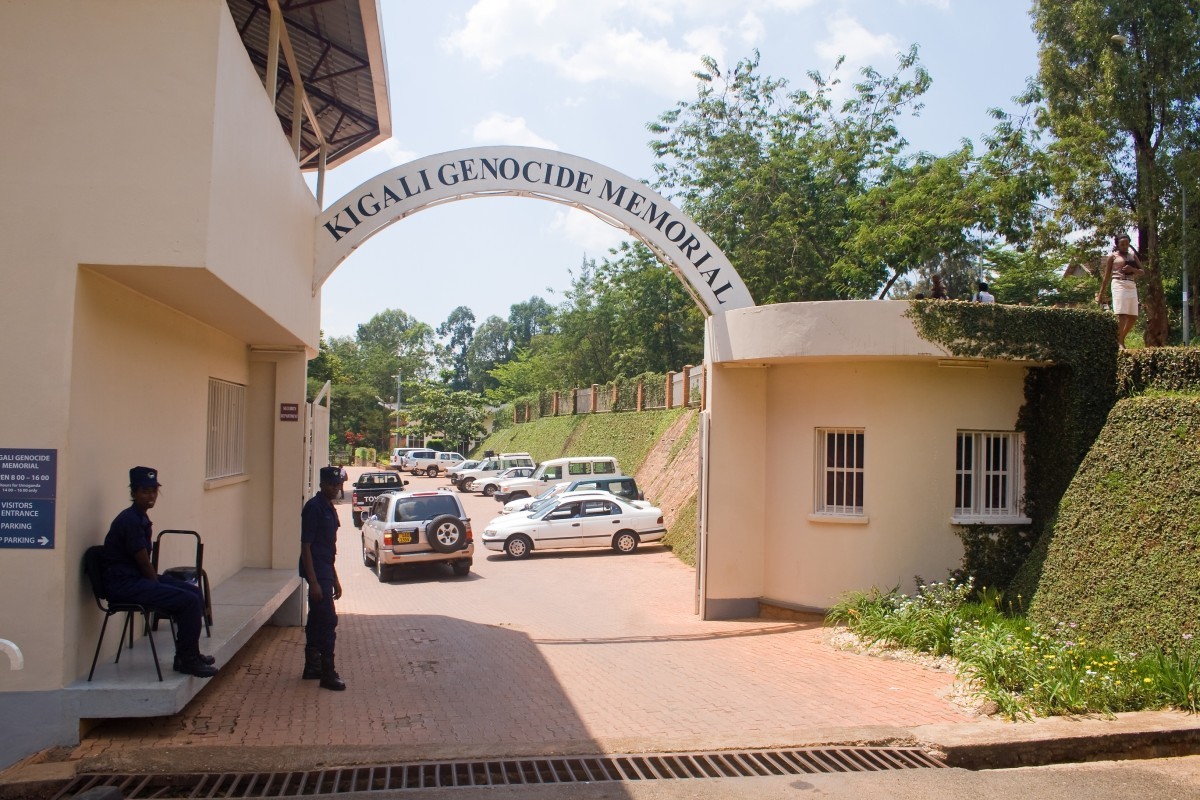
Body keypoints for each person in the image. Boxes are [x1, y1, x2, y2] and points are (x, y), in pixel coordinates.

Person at [101, 467, 217, 678]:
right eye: (145, 491)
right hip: (124, 584)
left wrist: (158, 584)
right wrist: (157, 586)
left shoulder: (140, 518)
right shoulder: (130, 520)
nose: (151, 496)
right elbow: (144, 562)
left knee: (194, 592)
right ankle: (186, 660)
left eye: (154, 491)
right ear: (134, 493)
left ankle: (190, 653)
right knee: (187, 601)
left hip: (136, 579)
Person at [300, 466, 346, 690]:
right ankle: (328, 673)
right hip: (317, 572)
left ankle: (312, 667)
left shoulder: (329, 507)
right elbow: (306, 546)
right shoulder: (314, 508)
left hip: (326, 571)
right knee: (328, 621)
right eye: (331, 485)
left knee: (317, 620)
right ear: (321, 485)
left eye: (338, 485)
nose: (335, 489)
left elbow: (329, 548)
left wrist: (335, 578)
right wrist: (315, 582)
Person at [1097, 233, 1144, 348]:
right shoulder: (1112, 257)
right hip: (1118, 283)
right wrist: (1101, 294)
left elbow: (1142, 271)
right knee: (1122, 314)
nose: (1125, 246)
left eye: (1127, 243)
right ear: (1117, 245)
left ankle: (1120, 338)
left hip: (1131, 284)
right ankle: (1120, 343)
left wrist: (1132, 269)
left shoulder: (1133, 255)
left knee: (1133, 316)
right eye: (1122, 244)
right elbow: (1107, 276)